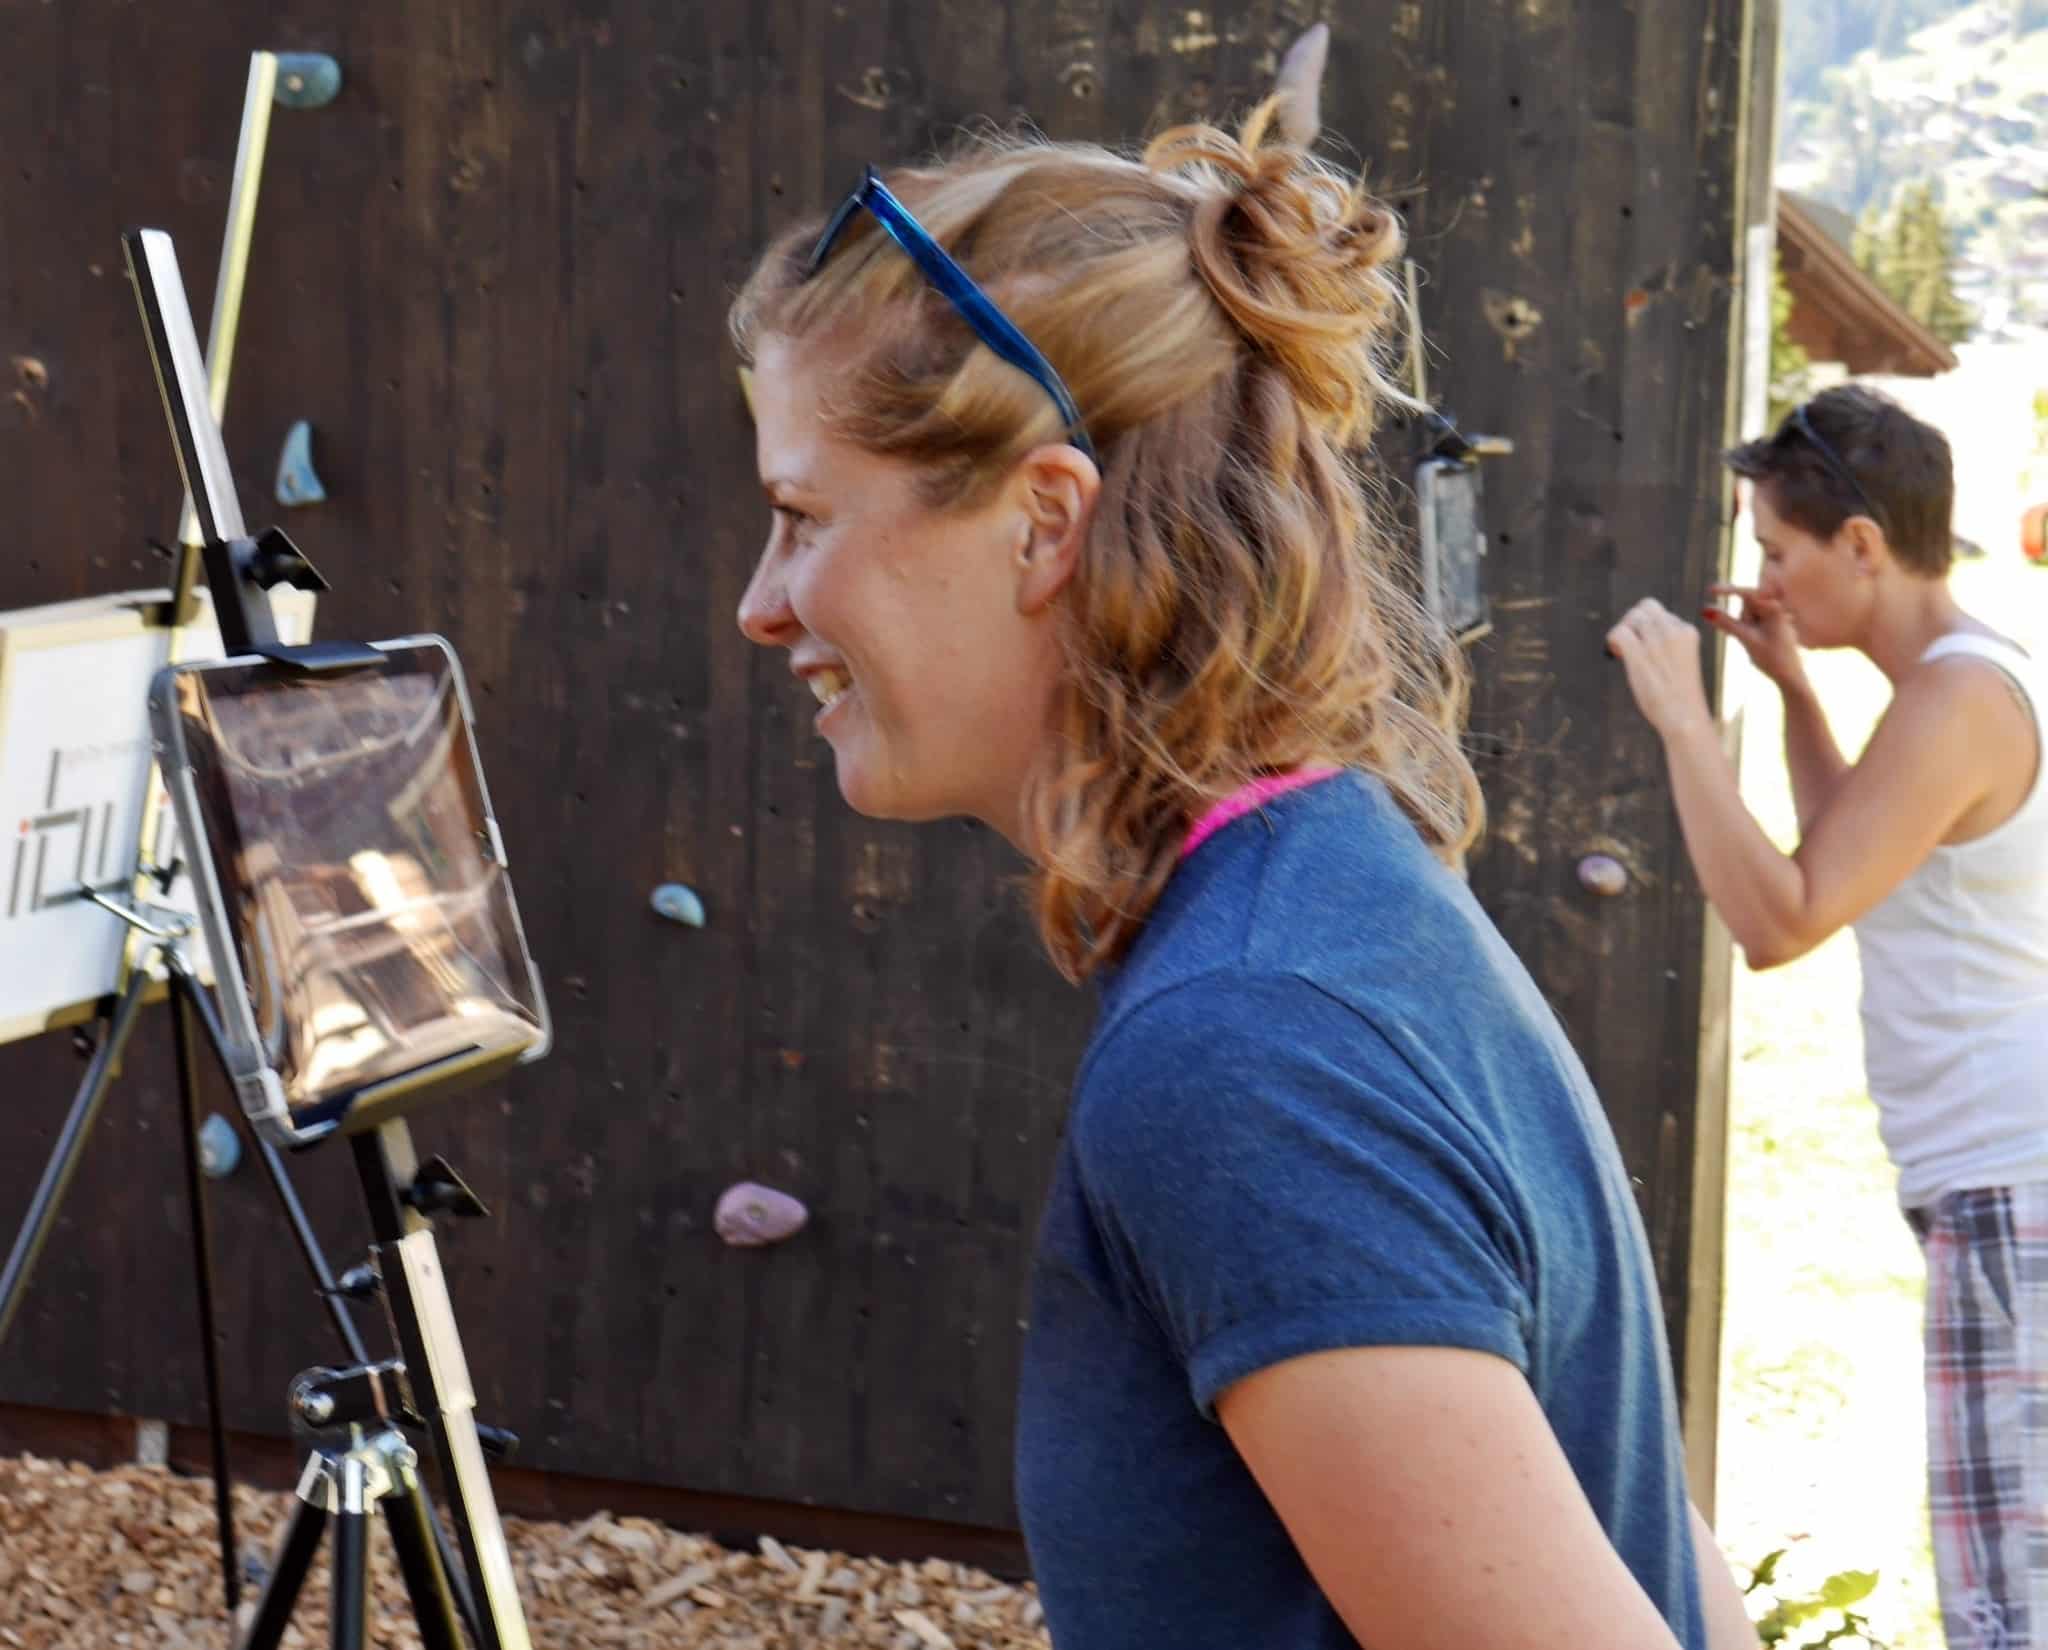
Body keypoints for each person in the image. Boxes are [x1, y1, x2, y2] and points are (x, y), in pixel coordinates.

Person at [731, 101, 1756, 1650]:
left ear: (1043, 522)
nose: (762, 605)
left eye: (802, 518)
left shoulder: (1248, 1045)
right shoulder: (1337, 894)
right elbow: (1655, 1545)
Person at [1609, 384, 2048, 1650]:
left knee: (2006, 1604)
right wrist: (1793, 692)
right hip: (2004, 1181)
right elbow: (1853, 861)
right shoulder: (1974, 678)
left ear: (1860, 544)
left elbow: (1781, 920)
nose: (1764, 581)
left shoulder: (1952, 703)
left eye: (1775, 552)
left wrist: (1683, 720)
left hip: (2010, 1190)